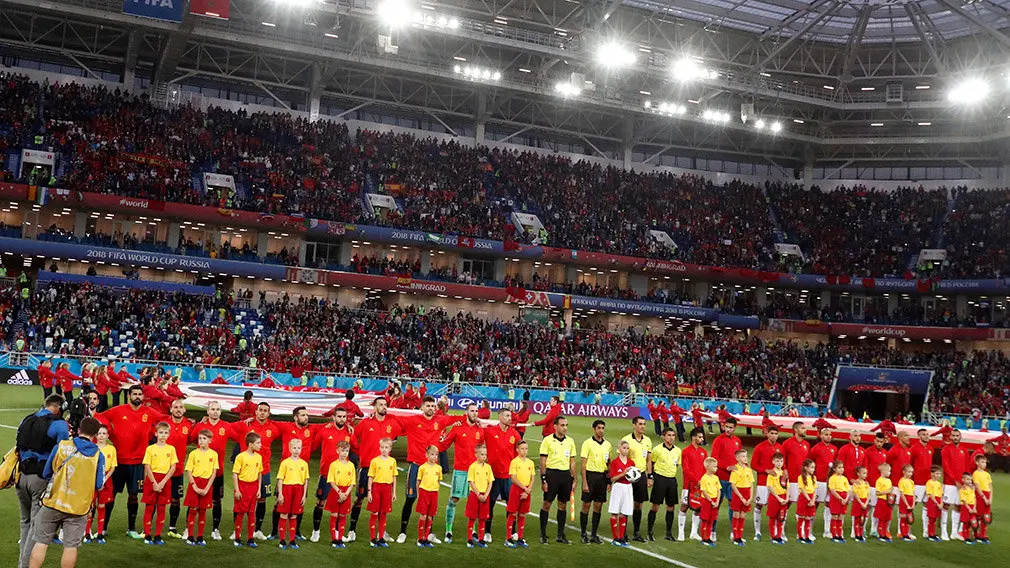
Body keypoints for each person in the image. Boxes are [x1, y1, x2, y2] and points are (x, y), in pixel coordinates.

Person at [26, 417, 105, 568]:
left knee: (41, 543)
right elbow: (99, 484)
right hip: (78, 508)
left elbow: (46, 472)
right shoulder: (98, 455)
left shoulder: (61, 446)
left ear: (79, 430)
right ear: (95, 435)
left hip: (54, 501)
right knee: (70, 546)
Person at [96, 384, 164, 539]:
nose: (138, 397)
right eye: (135, 394)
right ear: (129, 396)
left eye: (140, 394)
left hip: (139, 462)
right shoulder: (118, 410)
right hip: (119, 461)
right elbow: (101, 417)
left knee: (133, 495)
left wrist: (151, 434)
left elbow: (164, 419)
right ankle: (103, 527)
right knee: (110, 495)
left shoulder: (148, 411)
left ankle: (131, 528)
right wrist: (111, 435)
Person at [396, 396, 462, 544]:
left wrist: (465, 419)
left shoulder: (440, 420)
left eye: (433, 406)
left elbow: (459, 418)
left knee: (431, 502)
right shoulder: (413, 420)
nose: (431, 408)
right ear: (422, 407)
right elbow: (395, 418)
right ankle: (402, 532)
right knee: (410, 499)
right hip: (416, 466)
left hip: (432, 469)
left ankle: (429, 533)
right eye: (428, 406)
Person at [16, 394, 69, 568]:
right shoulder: (59, 424)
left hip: (21, 477)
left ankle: (22, 562)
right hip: (40, 478)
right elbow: (63, 452)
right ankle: (25, 565)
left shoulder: (27, 419)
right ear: (60, 407)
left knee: (25, 523)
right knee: (36, 527)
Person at [348, 397, 402, 543]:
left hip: (385, 471)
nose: (384, 407)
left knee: (383, 503)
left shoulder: (391, 423)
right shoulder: (366, 423)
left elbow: (403, 429)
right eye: (381, 405)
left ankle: (381, 533)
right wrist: (360, 453)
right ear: (375, 407)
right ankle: (352, 530)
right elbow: (353, 437)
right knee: (359, 498)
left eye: (385, 405)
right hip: (367, 468)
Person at [230, 402, 281, 539]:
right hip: (245, 471)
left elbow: (289, 429)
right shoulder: (245, 425)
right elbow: (225, 426)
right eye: (260, 410)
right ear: (256, 412)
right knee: (240, 500)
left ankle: (257, 530)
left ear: (269, 413)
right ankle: (237, 531)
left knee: (262, 499)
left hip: (264, 470)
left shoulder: (273, 428)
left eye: (266, 410)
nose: (263, 412)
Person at [270, 406, 316, 541]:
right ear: (295, 417)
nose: (306, 417)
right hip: (286, 474)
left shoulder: (311, 429)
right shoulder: (286, 427)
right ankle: (274, 531)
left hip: (301, 474)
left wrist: (347, 424)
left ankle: (296, 532)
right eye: (303, 415)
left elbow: (328, 425)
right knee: (278, 502)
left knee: (299, 504)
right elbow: (269, 422)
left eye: (306, 415)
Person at [438, 402, 482, 543]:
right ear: (467, 412)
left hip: (475, 472)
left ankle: (473, 530)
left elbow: (482, 450)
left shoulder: (479, 430)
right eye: (472, 411)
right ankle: (448, 530)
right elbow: (444, 444)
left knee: (474, 501)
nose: (475, 413)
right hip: (461, 470)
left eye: (476, 411)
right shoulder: (457, 428)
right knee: (454, 500)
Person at [310, 407, 356, 542]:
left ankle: (337, 534)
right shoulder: (324, 431)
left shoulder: (349, 432)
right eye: (339, 416)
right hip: (326, 474)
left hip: (343, 479)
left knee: (340, 504)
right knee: (320, 502)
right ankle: (316, 531)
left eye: (344, 417)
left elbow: (356, 448)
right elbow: (313, 446)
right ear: (333, 417)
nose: (342, 419)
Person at [192, 401, 231, 540]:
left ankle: (215, 529)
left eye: (218, 409)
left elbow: (241, 436)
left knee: (217, 501)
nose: (215, 412)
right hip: (199, 472)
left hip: (217, 472)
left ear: (221, 412)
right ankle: (189, 529)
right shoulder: (200, 426)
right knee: (194, 501)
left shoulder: (227, 426)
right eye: (212, 409)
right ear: (207, 411)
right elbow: (191, 439)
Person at [481, 408, 519, 543]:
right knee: (490, 504)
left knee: (511, 505)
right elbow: (477, 437)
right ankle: (487, 531)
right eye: (507, 416)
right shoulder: (490, 431)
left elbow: (518, 454)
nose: (510, 418)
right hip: (493, 475)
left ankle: (512, 530)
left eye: (510, 416)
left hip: (508, 476)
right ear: (500, 417)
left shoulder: (515, 434)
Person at [538, 415, 577, 545]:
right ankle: (543, 534)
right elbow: (543, 461)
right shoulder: (547, 441)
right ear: (555, 426)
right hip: (551, 475)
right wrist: (543, 479)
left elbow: (572, 462)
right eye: (562, 425)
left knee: (562, 505)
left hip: (565, 476)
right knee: (547, 504)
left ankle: (560, 534)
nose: (565, 428)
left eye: (566, 425)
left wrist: (574, 478)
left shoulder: (570, 441)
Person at [142, 422, 179, 545]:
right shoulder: (150, 449)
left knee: (162, 508)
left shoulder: (171, 449)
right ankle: (147, 534)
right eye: (161, 432)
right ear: (156, 433)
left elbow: (173, 467)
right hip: (152, 480)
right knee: (149, 507)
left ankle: (158, 535)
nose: (163, 435)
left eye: (166, 433)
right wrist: (154, 482)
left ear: (169, 434)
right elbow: (147, 466)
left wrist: (162, 482)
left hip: (165, 481)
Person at [183, 429, 219, 546]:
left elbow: (214, 473)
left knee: (203, 511)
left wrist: (207, 487)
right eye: (199, 439)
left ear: (210, 440)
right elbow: (188, 470)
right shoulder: (193, 454)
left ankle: (200, 536)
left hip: (206, 484)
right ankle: (190, 536)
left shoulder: (213, 454)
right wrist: (194, 486)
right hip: (195, 483)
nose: (201, 441)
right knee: (193, 510)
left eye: (204, 439)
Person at [164, 399, 193, 539]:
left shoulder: (189, 425)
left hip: (178, 469)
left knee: (176, 499)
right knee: (158, 499)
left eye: (181, 407)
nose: (178, 409)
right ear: (171, 409)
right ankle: (149, 527)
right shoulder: (164, 424)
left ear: (184, 410)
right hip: (161, 469)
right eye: (175, 407)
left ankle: (172, 528)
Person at [579, 419, 611, 544]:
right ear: (594, 429)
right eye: (599, 428)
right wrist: (585, 482)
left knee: (598, 506)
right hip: (590, 477)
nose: (601, 430)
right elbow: (583, 464)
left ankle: (593, 534)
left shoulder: (607, 445)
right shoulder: (587, 443)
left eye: (603, 428)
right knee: (586, 505)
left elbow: (608, 464)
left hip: (602, 478)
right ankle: (583, 533)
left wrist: (609, 481)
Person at [621, 416, 653, 542]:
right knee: (626, 503)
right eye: (640, 424)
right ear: (634, 425)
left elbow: (649, 460)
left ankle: (636, 532)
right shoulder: (626, 440)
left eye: (644, 424)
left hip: (641, 475)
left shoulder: (647, 440)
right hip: (629, 476)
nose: (642, 426)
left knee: (639, 504)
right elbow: (622, 458)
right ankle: (623, 532)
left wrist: (650, 476)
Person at [275, 438, 310, 549]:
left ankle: (292, 540)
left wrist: (304, 495)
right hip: (287, 489)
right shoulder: (285, 463)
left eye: (298, 448)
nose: (296, 450)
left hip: (298, 490)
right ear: (290, 449)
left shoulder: (304, 464)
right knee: (284, 514)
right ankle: (282, 540)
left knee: (294, 515)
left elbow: (306, 481)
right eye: (294, 448)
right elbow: (280, 479)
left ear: (301, 449)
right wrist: (280, 493)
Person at [709, 416, 741, 538]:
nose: (728, 429)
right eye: (726, 427)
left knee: (733, 504)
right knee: (716, 503)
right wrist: (727, 467)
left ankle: (734, 531)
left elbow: (739, 457)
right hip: (720, 478)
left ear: (734, 428)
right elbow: (714, 458)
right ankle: (712, 531)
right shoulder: (718, 440)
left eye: (730, 427)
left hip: (733, 479)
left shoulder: (737, 441)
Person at [85, 424, 117, 544]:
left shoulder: (111, 449)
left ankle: (100, 533)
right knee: (90, 506)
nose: (101, 436)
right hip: (92, 479)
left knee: (102, 506)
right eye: (99, 434)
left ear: (107, 435)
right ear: (95, 435)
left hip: (106, 479)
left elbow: (113, 466)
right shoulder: (92, 447)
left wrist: (103, 479)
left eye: (104, 433)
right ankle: (87, 533)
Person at [749, 424, 782, 540]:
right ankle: (757, 532)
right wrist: (766, 470)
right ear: (767, 434)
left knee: (777, 507)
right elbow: (753, 465)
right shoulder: (760, 447)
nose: (773, 436)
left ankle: (778, 532)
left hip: (777, 484)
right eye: (771, 433)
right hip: (763, 482)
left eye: (775, 434)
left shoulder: (780, 447)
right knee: (759, 505)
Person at [648, 427, 680, 541]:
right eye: (669, 435)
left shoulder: (678, 451)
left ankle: (669, 532)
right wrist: (651, 477)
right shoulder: (657, 450)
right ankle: (650, 531)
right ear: (663, 436)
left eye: (673, 435)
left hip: (672, 480)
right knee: (655, 506)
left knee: (671, 506)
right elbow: (650, 463)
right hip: (660, 479)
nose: (671, 438)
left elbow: (677, 465)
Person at [233, 432, 264, 548]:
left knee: (252, 513)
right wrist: (237, 490)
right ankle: (237, 537)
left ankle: (250, 538)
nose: (260, 445)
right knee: (240, 513)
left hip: (253, 487)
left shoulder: (258, 457)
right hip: (243, 486)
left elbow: (260, 473)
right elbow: (235, 474)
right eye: (258, 443)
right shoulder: (240, 457)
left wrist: (259, 488)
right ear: (251, 445)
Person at [324, 441, 356, 548]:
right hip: (336, 491)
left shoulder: (351, 465)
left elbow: (352, 482)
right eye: (342, 451)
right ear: (337, 451)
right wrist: (339, 492)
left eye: (346, 451)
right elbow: (331, 481)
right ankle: (334, 539)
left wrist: (346, 493)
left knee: (343, 515)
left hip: (346, 492)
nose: (344, 453)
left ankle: (340, 539)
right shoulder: (333, 465)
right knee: (334, 515)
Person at [941, 429, 970, 541]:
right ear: (950, 437)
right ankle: (944, 531)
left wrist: (967, 481)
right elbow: (946, 467)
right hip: (949, 483)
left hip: (962, 484)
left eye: (957, 435)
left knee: (958, 506)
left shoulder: (964, 450)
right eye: (953, 435)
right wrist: (955, 481)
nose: (955, 437)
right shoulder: (946, 449)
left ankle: (954, 532)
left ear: (960, 436)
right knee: (946, 505)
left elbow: (967, 467)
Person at [679, 427, 708, 541]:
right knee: (684, 506)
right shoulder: (686, 451)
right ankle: (681, 532)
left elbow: (705, 468)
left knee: (698, 508)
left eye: (702, 437)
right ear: (693, 437)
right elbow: (686, 470)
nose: (702, 439)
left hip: (700, 485)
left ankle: (694, 532)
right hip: (689, 485)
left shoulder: (703, 452)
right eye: (700, 437)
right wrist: (697, 480)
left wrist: (703, 481)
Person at [367, 438, 397, 548]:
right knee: (374, 512)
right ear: (379, 448)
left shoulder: (392, 461)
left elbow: (394, 477)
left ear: (390, 449)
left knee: (384, 513)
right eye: (382, 447)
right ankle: (372, 538)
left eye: (386, 447)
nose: (384, 450)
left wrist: (394, 492)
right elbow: (371, 477)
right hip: (376, 488)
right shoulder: (374, 461)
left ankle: (381, 538)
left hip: (387, 488)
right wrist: (369, 491)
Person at [505, 440, 535, 548]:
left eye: (526, 448)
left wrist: (528, 490)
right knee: (512, 513)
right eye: (522, 449)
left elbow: (532, 478)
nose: (524, 451)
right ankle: (508, 538)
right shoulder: (514, 462)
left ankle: (520, 538)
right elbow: (513, 478)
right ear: (517, 450)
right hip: (517, 490)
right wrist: (524, 488)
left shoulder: (530, 463)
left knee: (522, 514)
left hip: (527, 491)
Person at [809, 427, 837, 539]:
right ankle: (808, 530)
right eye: (826, 434)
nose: (828, 436)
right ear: (821, 435)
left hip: (830, 482)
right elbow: (809, 462)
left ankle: (827, 530)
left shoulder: (834, 449)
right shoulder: (815, 449)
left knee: (829, 505)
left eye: (830, 434)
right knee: (814, 505)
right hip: (819, 481)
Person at [464, 444, 493, 548]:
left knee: (482, 518)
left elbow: (490, 482)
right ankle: (469, 539)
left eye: (485, 454)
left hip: (485, 495)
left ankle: (481, 539)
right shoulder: (473, 467)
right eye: (482, 454)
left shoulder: (488, 467)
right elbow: (471, 481)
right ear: (476, 454)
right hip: (474, 495)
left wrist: (486, 494)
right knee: (472, 517)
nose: (484, 456)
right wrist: (478, 494)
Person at [607, 440, 635, 547]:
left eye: (627, 448)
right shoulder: (615, 462)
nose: (626, 450)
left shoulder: (631, 463)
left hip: (628, 487)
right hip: (618, 487)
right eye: (624, 448)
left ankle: (622, 537)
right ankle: (615, 538)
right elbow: (613, 478)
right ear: (619, 449)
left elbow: (633, 477)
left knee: (624, 513)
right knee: (615, 512)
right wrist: (623, 474)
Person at [414, 445, 442, 548]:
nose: (435, 457)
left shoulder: (439, 468)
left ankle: (426, 538)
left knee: (430, 516)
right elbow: (418, 482)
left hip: (434, 493)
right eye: (432, 454)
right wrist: (418, 494)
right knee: (423, 515)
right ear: (426, 455)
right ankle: (420, 538)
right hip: (424, 492)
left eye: (436, 455)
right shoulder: (422, 467)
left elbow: (438, 481)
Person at [910, 428, 936, 537]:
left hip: (928, 482)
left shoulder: (931, 449)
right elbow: (910, 463)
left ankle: (926, 531)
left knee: (927, 505)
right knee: (912, 505)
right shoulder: (914, 448)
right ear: (918, 436)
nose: (926, 436)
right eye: (923, 434)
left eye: (927, 434)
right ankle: (906, 530)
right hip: (917, 482)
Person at [863, 432, 888, 538]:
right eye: (878, 441)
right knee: (867, 507)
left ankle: (873, 529)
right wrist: (866, 481)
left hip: (880, 486)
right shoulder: (868, 452)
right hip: (870, 484)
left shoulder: (885, 453)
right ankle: (862, 528)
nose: (879, 443)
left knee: (877, 508)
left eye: (881, 442)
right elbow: (865, 467)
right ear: (874, 440)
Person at [728, 449, 754, 546]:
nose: (745, 458)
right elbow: (733, 485)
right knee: (736, 515)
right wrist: (741, 497)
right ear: (737, 458)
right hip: (739, 494)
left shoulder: (748, 470)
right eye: (743, 456)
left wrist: (751, 497)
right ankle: (735, 537)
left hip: (747, 494)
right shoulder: (735, 469)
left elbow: (751, 484)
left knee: (743, 515)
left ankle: (739, 536)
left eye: (746, 456)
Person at [698, 457, 721, 547]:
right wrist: (711, 501)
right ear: (708, 467)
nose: (716, 468)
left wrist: (717, 501)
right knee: (705, 519)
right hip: (707, 501)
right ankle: (704, 538)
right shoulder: (704, 478)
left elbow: (719, 490)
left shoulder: (716, 478)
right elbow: (704, 491)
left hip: (715, 500)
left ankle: (708, 537)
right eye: (714, 467)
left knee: (711, 519)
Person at [795, 459, 817, 544]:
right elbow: (802, 489)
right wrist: (809, 499)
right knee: (802, 517)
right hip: (804, 498)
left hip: (811, 498)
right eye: (811, 467)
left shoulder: (814, 477)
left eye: (814, 467)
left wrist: (813, 500)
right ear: (806, 468)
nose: (813, 469)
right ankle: (800, 536)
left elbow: (815, 490)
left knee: (808, 517)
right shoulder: (801, 477)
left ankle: (807, 536)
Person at [827, 460, 850, 542]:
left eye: (842, 467)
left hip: (844, 498)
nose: (841, 469)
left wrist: (846, 499)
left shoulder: (844, 478)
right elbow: (832, 490)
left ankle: (840, 534)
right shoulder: (832, 478)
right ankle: (834, 535)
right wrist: (840, 498)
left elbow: (848, 490)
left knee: (841, 516)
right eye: (839, 468)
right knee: (835, 516)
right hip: (836, 498)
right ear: (834, 469)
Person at [972, 454, 992, 544]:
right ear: (977, 463)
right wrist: (984, 497)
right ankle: (976, 534)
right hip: (980, 496)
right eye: (982, 462)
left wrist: (990, 498)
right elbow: (977, 486)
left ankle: (983, 535)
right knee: (978, 516)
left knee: (986, 517)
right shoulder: (976, 473)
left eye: (985, 462)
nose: (984, 464)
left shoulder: (987, 474)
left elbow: (990, 486)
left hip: (987, 495)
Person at [873, 462, 895, 542]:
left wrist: (891, 494)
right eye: (889, 471)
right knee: (881, 518)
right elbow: (877, 492)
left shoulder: (889, 480)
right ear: (883, 471)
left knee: (887, 518)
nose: (890, 472)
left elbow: (890, 491)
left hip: (888, 502)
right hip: (882, 501)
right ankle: (880, 534)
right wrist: (887, 491)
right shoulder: (879, 480)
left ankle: (885, 533)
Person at [850, 465, 870, 543]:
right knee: (857, 519)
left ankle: (861, 534)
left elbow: (868, 494)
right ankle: (857, 535)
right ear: (858, 474)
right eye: (864, 473)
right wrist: (861, 503)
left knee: (863, 519)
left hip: (865, 502)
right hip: (858, 502)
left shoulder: (866, 483)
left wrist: (866, 502)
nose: (865, 475)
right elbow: (855, 494)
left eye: (866, 473)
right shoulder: (856, 483)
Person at [924, 466, 944, 542]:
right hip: (933, 501)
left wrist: (941, 502)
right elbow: (930, 494)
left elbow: (941, 494)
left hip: (938, 501)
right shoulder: (929, 482)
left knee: (935, 518)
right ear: (932, 474)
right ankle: (930, 534)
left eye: (940, 474)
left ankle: (933, 534)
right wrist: (936, 502)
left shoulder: (939, 483)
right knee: (931, 519)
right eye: (937, 473)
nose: (939, 475)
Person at [897, 463, 916, 541]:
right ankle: (903, 535)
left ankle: (907, 534)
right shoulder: (901, 481)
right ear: (904, 472)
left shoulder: (911, 481)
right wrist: (907, 504)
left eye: (911, 472)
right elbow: (902, 494)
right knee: (903, 518)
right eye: (909, 472)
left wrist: (913, 503)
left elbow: (914, 494)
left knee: (908, 519)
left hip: (911, 500)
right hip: (905, 501)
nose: (910, 474)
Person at [957, 473, 978, 543]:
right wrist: (969, 509)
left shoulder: (972, 489)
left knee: (971, 523)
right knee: (965, 523)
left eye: (971, 480)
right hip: (966, 507)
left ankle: (970, 536)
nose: (970, 481)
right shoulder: (962, 490)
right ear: (963, 480)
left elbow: (974, 498)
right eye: (968, 479)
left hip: (972, 507)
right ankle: (965, 538)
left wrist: (974, 508)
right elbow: (964, 500)